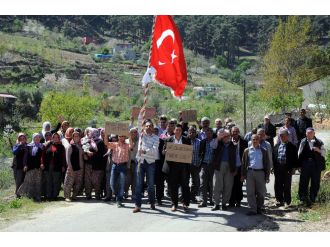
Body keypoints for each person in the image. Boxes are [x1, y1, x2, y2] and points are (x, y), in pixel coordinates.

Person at [133, 119, 159, 213]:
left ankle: (152, 202)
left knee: (151, 184)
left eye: (150, 126)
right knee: (138, 184)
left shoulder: (156, 138)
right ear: (144, 127)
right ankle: (137, 205)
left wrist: (145, 151)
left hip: (150, 163)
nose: (148, 128)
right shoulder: (141, 135)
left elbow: (154, 150)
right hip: (140, 162)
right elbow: (137, 124)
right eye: (147, 126)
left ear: (153, 128)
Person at [163, 124, 191, 212]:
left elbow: (189, 151)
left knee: (185, 186)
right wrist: (166, 151)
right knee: (172, 186)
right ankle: (174, 204)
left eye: (179, 130)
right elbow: (162, 152)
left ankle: (185, 204)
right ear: (174, 131)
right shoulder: (168, 139)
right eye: (176, 130)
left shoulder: (186, 139)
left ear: (181, 131)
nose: (178, 131)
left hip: (183, 166)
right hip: (172, 166)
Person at [241, 134, 270, 216]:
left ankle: (259, 207)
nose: (255, 141)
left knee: (261, 192)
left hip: (260, 173)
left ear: (259, 140)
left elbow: (267, 164)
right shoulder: (247, 150)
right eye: (253, 139)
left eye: (256, 139)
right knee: (250, 192)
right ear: (251, 140)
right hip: (250, 172)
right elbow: (243, 164)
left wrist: (267, 176)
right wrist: (243, 175)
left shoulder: (263, 150)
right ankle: (253, 209)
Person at [298, 128, 326, 207]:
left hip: (316, 165)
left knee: (315, 182)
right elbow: (299, 153)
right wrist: (299, 165)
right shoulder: (303, 141)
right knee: (303, 182)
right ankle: (303, 199)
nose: (309, 134)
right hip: (305, 164)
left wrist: (318, 150)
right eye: (308, 133)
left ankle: (313, 198)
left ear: (314, 134)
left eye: (311, 133)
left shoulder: (319, 142)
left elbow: (324, 153)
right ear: (306, 134)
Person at [211, 129, 237, 211]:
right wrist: (218, 138)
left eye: (227, 136)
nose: (226, 138)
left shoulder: (234, 145)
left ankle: (224, 203)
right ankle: (216, 204)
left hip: (230, 166)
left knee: (228, 186)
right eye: (224, 136)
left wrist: (236, 168)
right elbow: (212, 145)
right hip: (219, 165)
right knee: (217, 185)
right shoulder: (217, 143)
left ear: (230, 136)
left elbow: (237, 157)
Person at [272, 129, 298, 207]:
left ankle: (287, 201)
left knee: (287, 185)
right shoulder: (276, 146)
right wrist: (272, 167)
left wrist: (294, 168)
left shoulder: (292, 146)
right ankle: (279, 200)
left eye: (284, 136)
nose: (282, 137)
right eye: (281, 136)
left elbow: (295, 159)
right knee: (278, 184)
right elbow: (273, 157)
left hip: (287, 168)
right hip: (278, 168)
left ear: (288, 136)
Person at [104, 132, 130, 207]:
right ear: (118, 137)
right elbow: (106, 143)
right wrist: (106, 135)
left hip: (123, 166)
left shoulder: (127, 145)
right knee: (112, 183)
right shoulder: (114, 144)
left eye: (123, 136)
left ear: (125, 137)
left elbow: (131, 146)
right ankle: (117, 195)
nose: (121, 137)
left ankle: (119, 200)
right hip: (115, 166)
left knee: (121, 184)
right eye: (120, 136)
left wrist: (130, 137)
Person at [17, 133, 43, 201]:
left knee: (38, 182)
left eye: (38, 137)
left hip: (38, 167)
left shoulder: (42, 146)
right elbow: (25, 157)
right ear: (33, 138)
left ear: (40, 138)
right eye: (35, 137)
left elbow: (43, 157)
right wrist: (25, 165)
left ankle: (38, 196)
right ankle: (22, 194)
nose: (37, 139)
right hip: (30, 167)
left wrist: (42, 164)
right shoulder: (28, 146)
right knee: (28, 181)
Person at [41, 133, 66, 200]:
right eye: (54, 137)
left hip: (57, 166)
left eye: (57, 137)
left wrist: (63, 166)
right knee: (48, 181)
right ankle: (49, 195)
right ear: (52, 138)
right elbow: (43, 155)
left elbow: (63, 157)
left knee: (56, 181)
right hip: (47, 166)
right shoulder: (48, 145)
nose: (55, 138)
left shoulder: (61, 147)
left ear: (59, 138)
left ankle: (55, 196)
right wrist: (42, 163)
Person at [229, 126, 248, 207]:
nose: (235, 133)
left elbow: (247, 156)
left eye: (236, 131)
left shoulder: (244, 142)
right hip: (231, 166)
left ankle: (238, 200)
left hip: (241, 166)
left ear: (238, 132)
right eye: (233, 131)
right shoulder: (228, 141)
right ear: (231, 133)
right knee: (230, 184)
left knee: (239, 184)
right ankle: (231, 201)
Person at [198, 127, 216, 208]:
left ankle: (212, 200)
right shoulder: (203, 142)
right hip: (204, 165)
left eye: (209, 133)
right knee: (203, 183)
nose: (208, 135)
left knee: (212, 184)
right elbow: (200, 153)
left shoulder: (216, 142)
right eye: (206, 133)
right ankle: (203, 201)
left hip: (213, 165)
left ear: (212, 134)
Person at [63, 131, 84, 201]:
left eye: (77, 136)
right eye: (75, 136)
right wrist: (70, 168)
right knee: (68, 182)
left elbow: (83, 157)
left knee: (78, 183)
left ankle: (74, 195)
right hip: (72, 168)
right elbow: (67, 158)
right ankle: (67, 196)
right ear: (73, 137)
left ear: (79, 137)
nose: (76, 137)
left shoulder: (81, 146)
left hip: (80, 168)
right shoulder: (70, 146)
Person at [12, 133, 28, 197]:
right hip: (17, 166)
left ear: (25, 139)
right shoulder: (16, 145)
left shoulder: (27, 146)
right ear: (18, 139)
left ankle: (22, 194)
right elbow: (14, 152)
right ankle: (17, 195)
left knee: (24, 180)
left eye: (23, 138)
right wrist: (20, 145)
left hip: (25, 166)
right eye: (20, 139)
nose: (22, 140)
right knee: (18, 181)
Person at [187, 126, 201, 203]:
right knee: (185, 181)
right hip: (186, 165)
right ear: (188, 133)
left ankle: (192, 196)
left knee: (195, 182)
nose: (192, 133)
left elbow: (201, 153)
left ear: (196, 133)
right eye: (190, 132)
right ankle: (185, 196)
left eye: (193, 132)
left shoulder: (199, 142)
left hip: (195, 164)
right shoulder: (185, 141)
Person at [125, 127, 139, 200]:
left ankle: (134, 193)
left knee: (135, 179)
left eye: (135, 132)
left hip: (136, 163)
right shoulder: (126, 141)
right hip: (128, 162)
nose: (133, 133)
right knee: (127, 179)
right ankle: (126, 192)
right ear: (129, 133)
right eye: (132, 132)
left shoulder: (139, 142)